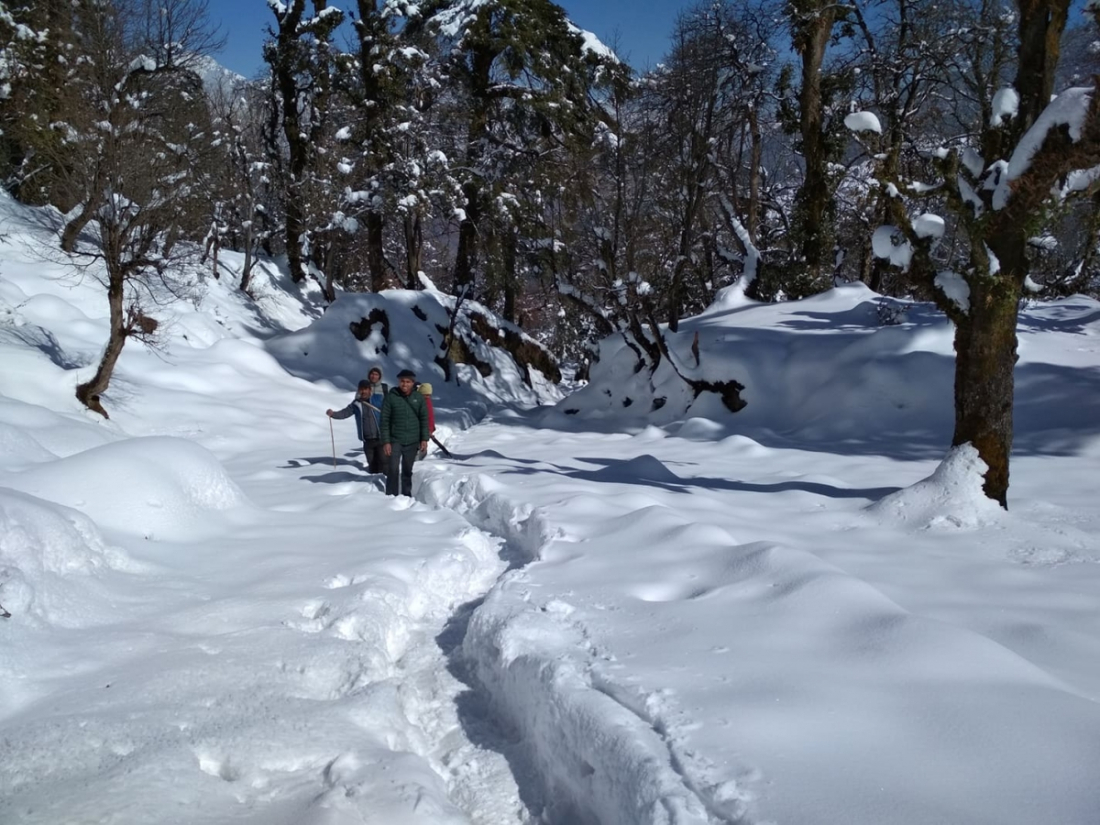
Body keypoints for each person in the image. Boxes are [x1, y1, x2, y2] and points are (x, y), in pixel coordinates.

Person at [327, 367, 388, 473]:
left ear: (370, 390)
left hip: (380, 438)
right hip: (367, 440)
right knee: (372, 464)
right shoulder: (356, 404)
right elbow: (345, 412)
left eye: (366, 389)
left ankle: (386, 483)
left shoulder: (379, 399)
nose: (363, 391)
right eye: (361, 389)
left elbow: (390, 409)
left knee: (384, 462)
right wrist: (333, 414)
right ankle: (372, 484)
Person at [380, 368, 429, 497]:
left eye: (408, 381)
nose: (405, 384)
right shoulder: (391, 397)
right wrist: (386, 441)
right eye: (402, 381)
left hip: (412, 441)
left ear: (413, 383)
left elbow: (424, 418)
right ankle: (391, 496)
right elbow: (384, 420)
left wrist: (424, 439)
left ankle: (406, 495)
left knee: (407, 470)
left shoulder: (418, 398)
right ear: (398, 382)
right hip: (395, 439)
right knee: (393, 469)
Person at [417, 382, 435, 460]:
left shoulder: (427, 402)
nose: (427, 397)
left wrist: (430, 429)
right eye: (425, 395)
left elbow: (430, 418)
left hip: (423, 432)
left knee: (422, 451)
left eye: (429, 395)